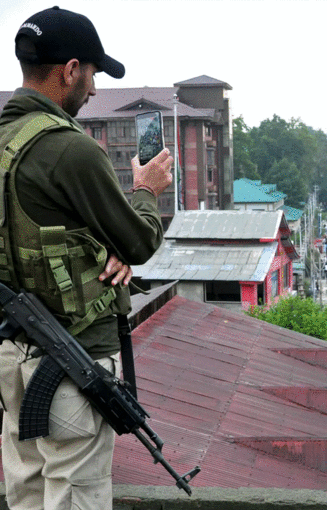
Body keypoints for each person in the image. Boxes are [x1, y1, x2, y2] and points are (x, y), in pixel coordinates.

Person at [0, 7, 172, 510]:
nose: (94, 89)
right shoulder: (70, 149)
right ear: (70, 70)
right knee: (75, 496)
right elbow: (140, 241)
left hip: (11, 358)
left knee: (26, 492)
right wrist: (145, 190)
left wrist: (102, 244)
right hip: (72, 361)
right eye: (92, 74)